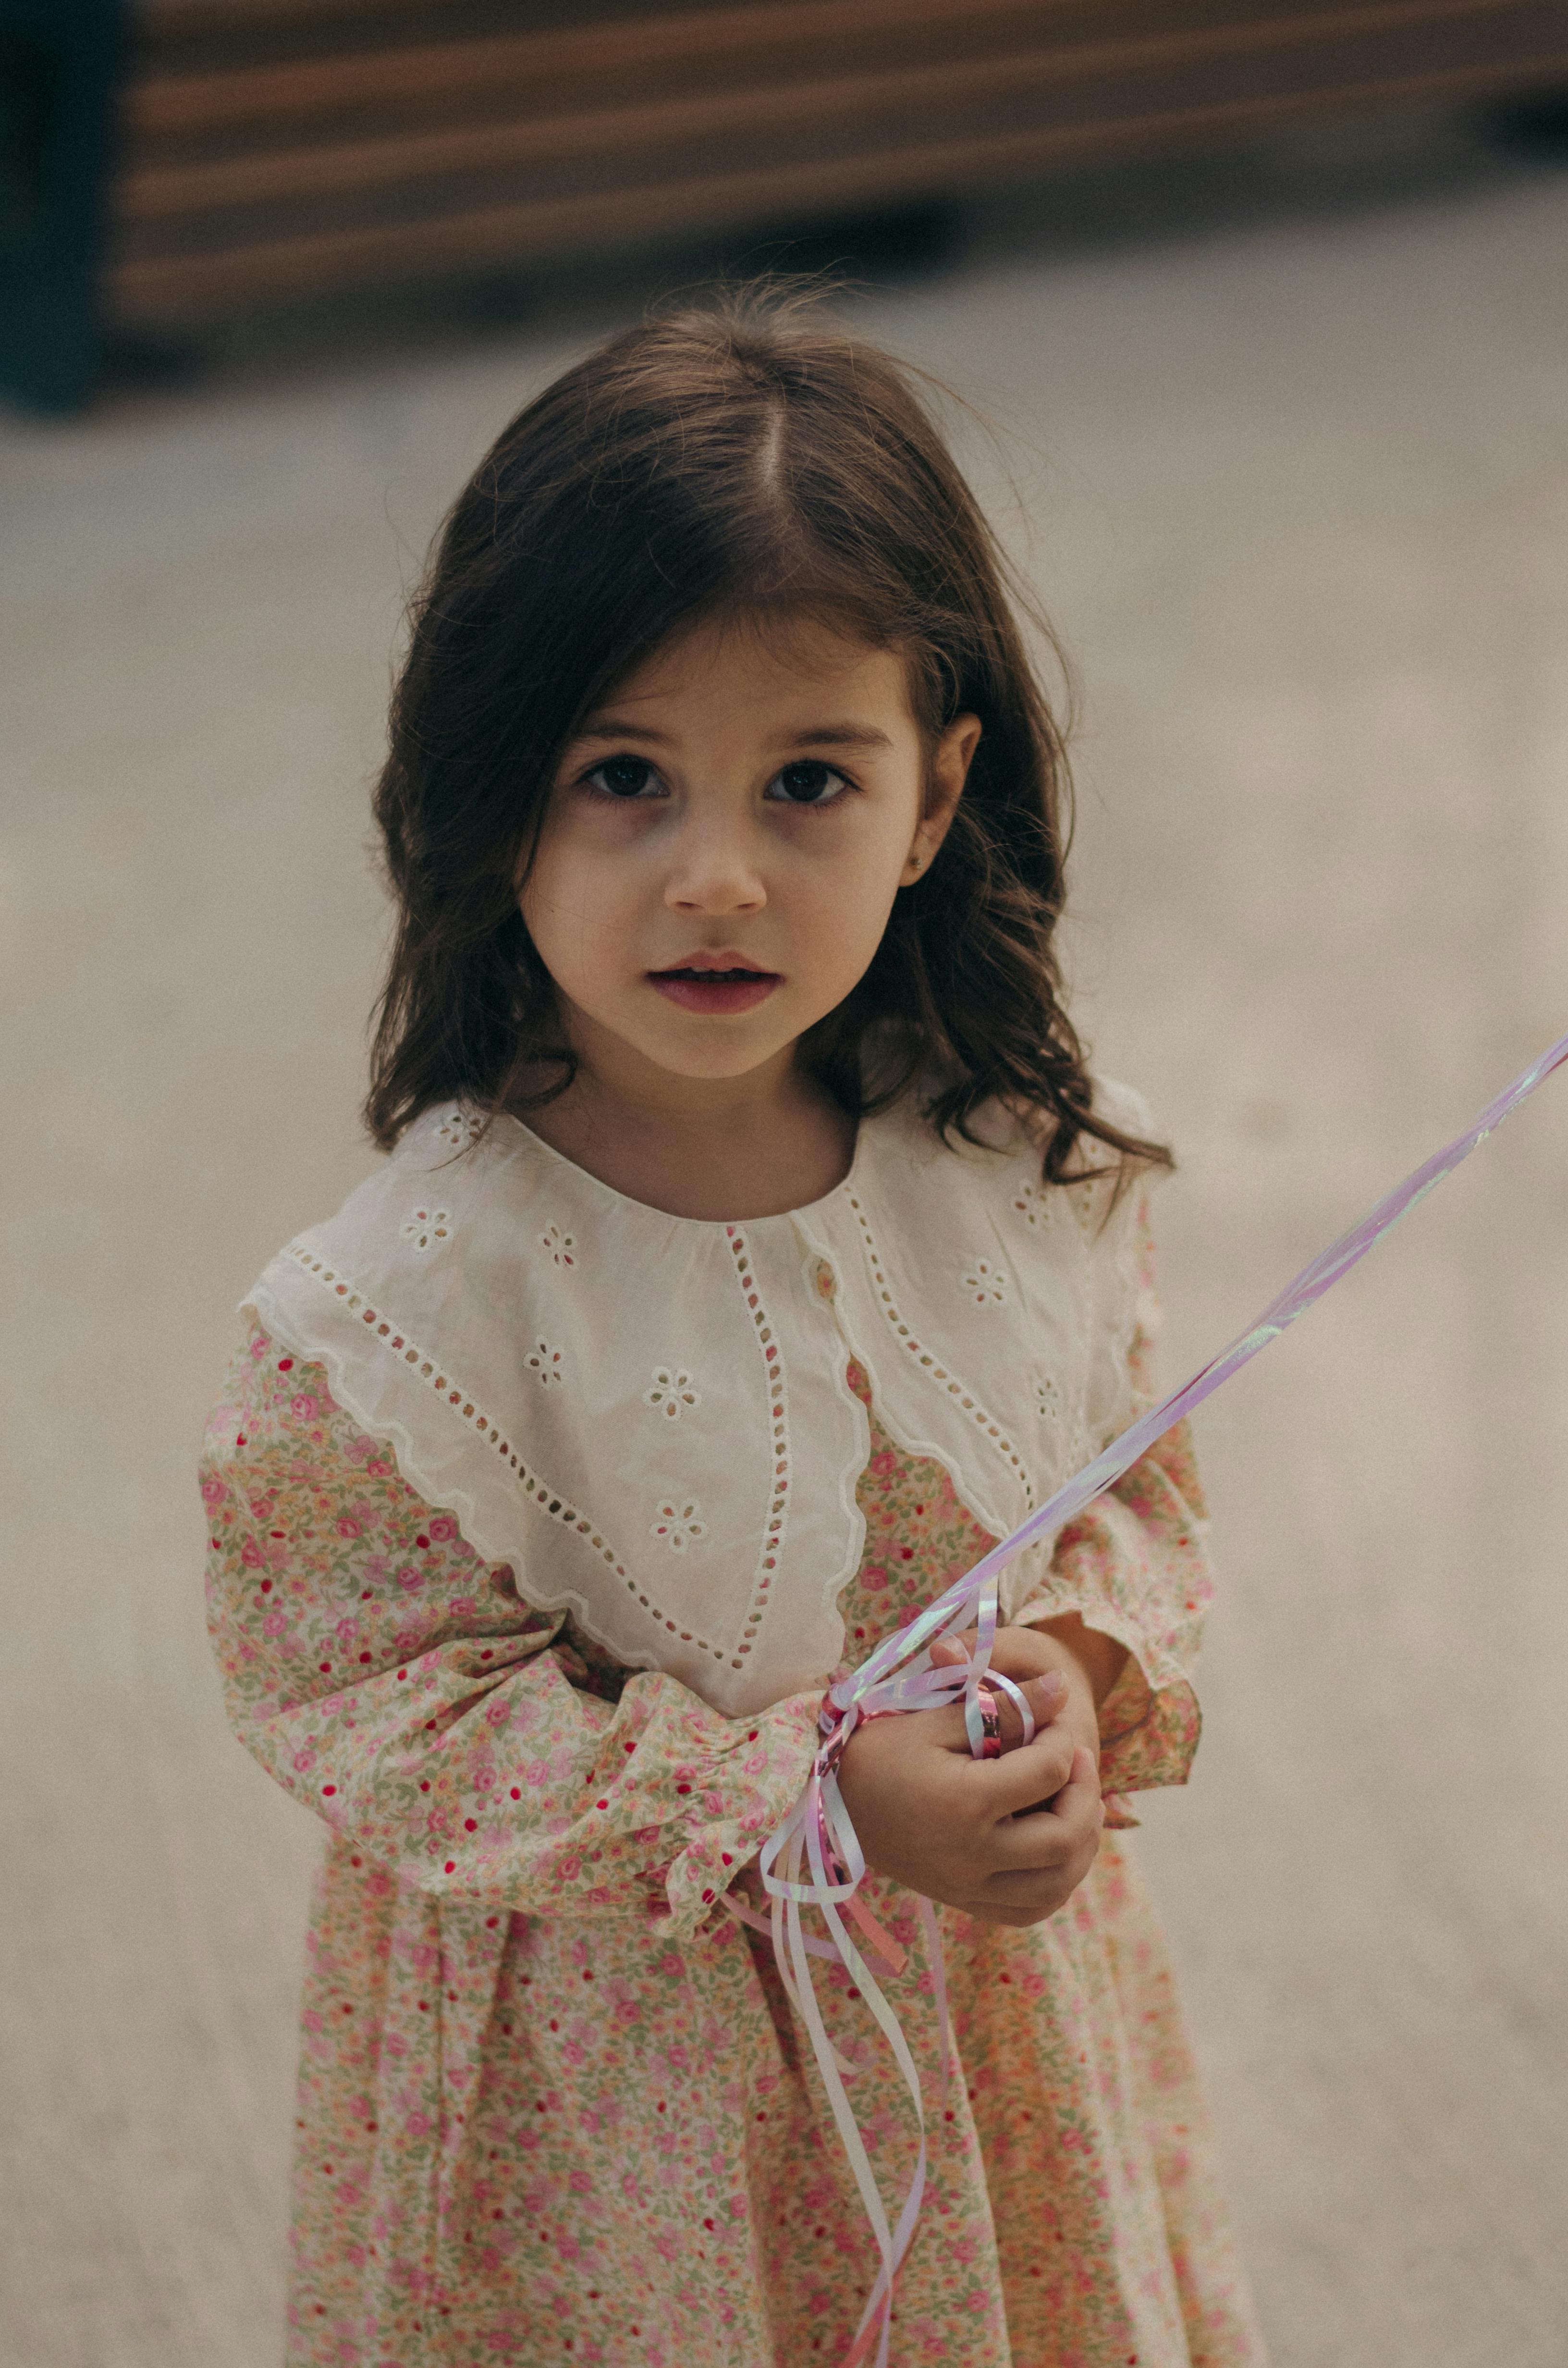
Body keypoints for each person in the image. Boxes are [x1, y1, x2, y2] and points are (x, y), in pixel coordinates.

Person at [201, 291, 1267, 2368]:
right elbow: (365, 1694)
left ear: (935, 797)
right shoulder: (408, 1307)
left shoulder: (1007, 1168)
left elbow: (1134, 1480)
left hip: (981, 2032)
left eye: (806, 782)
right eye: (624, 777)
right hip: (618, 2104)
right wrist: (804, 1800)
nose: (717, 877)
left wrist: (1076, 1654)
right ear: (498, 792)